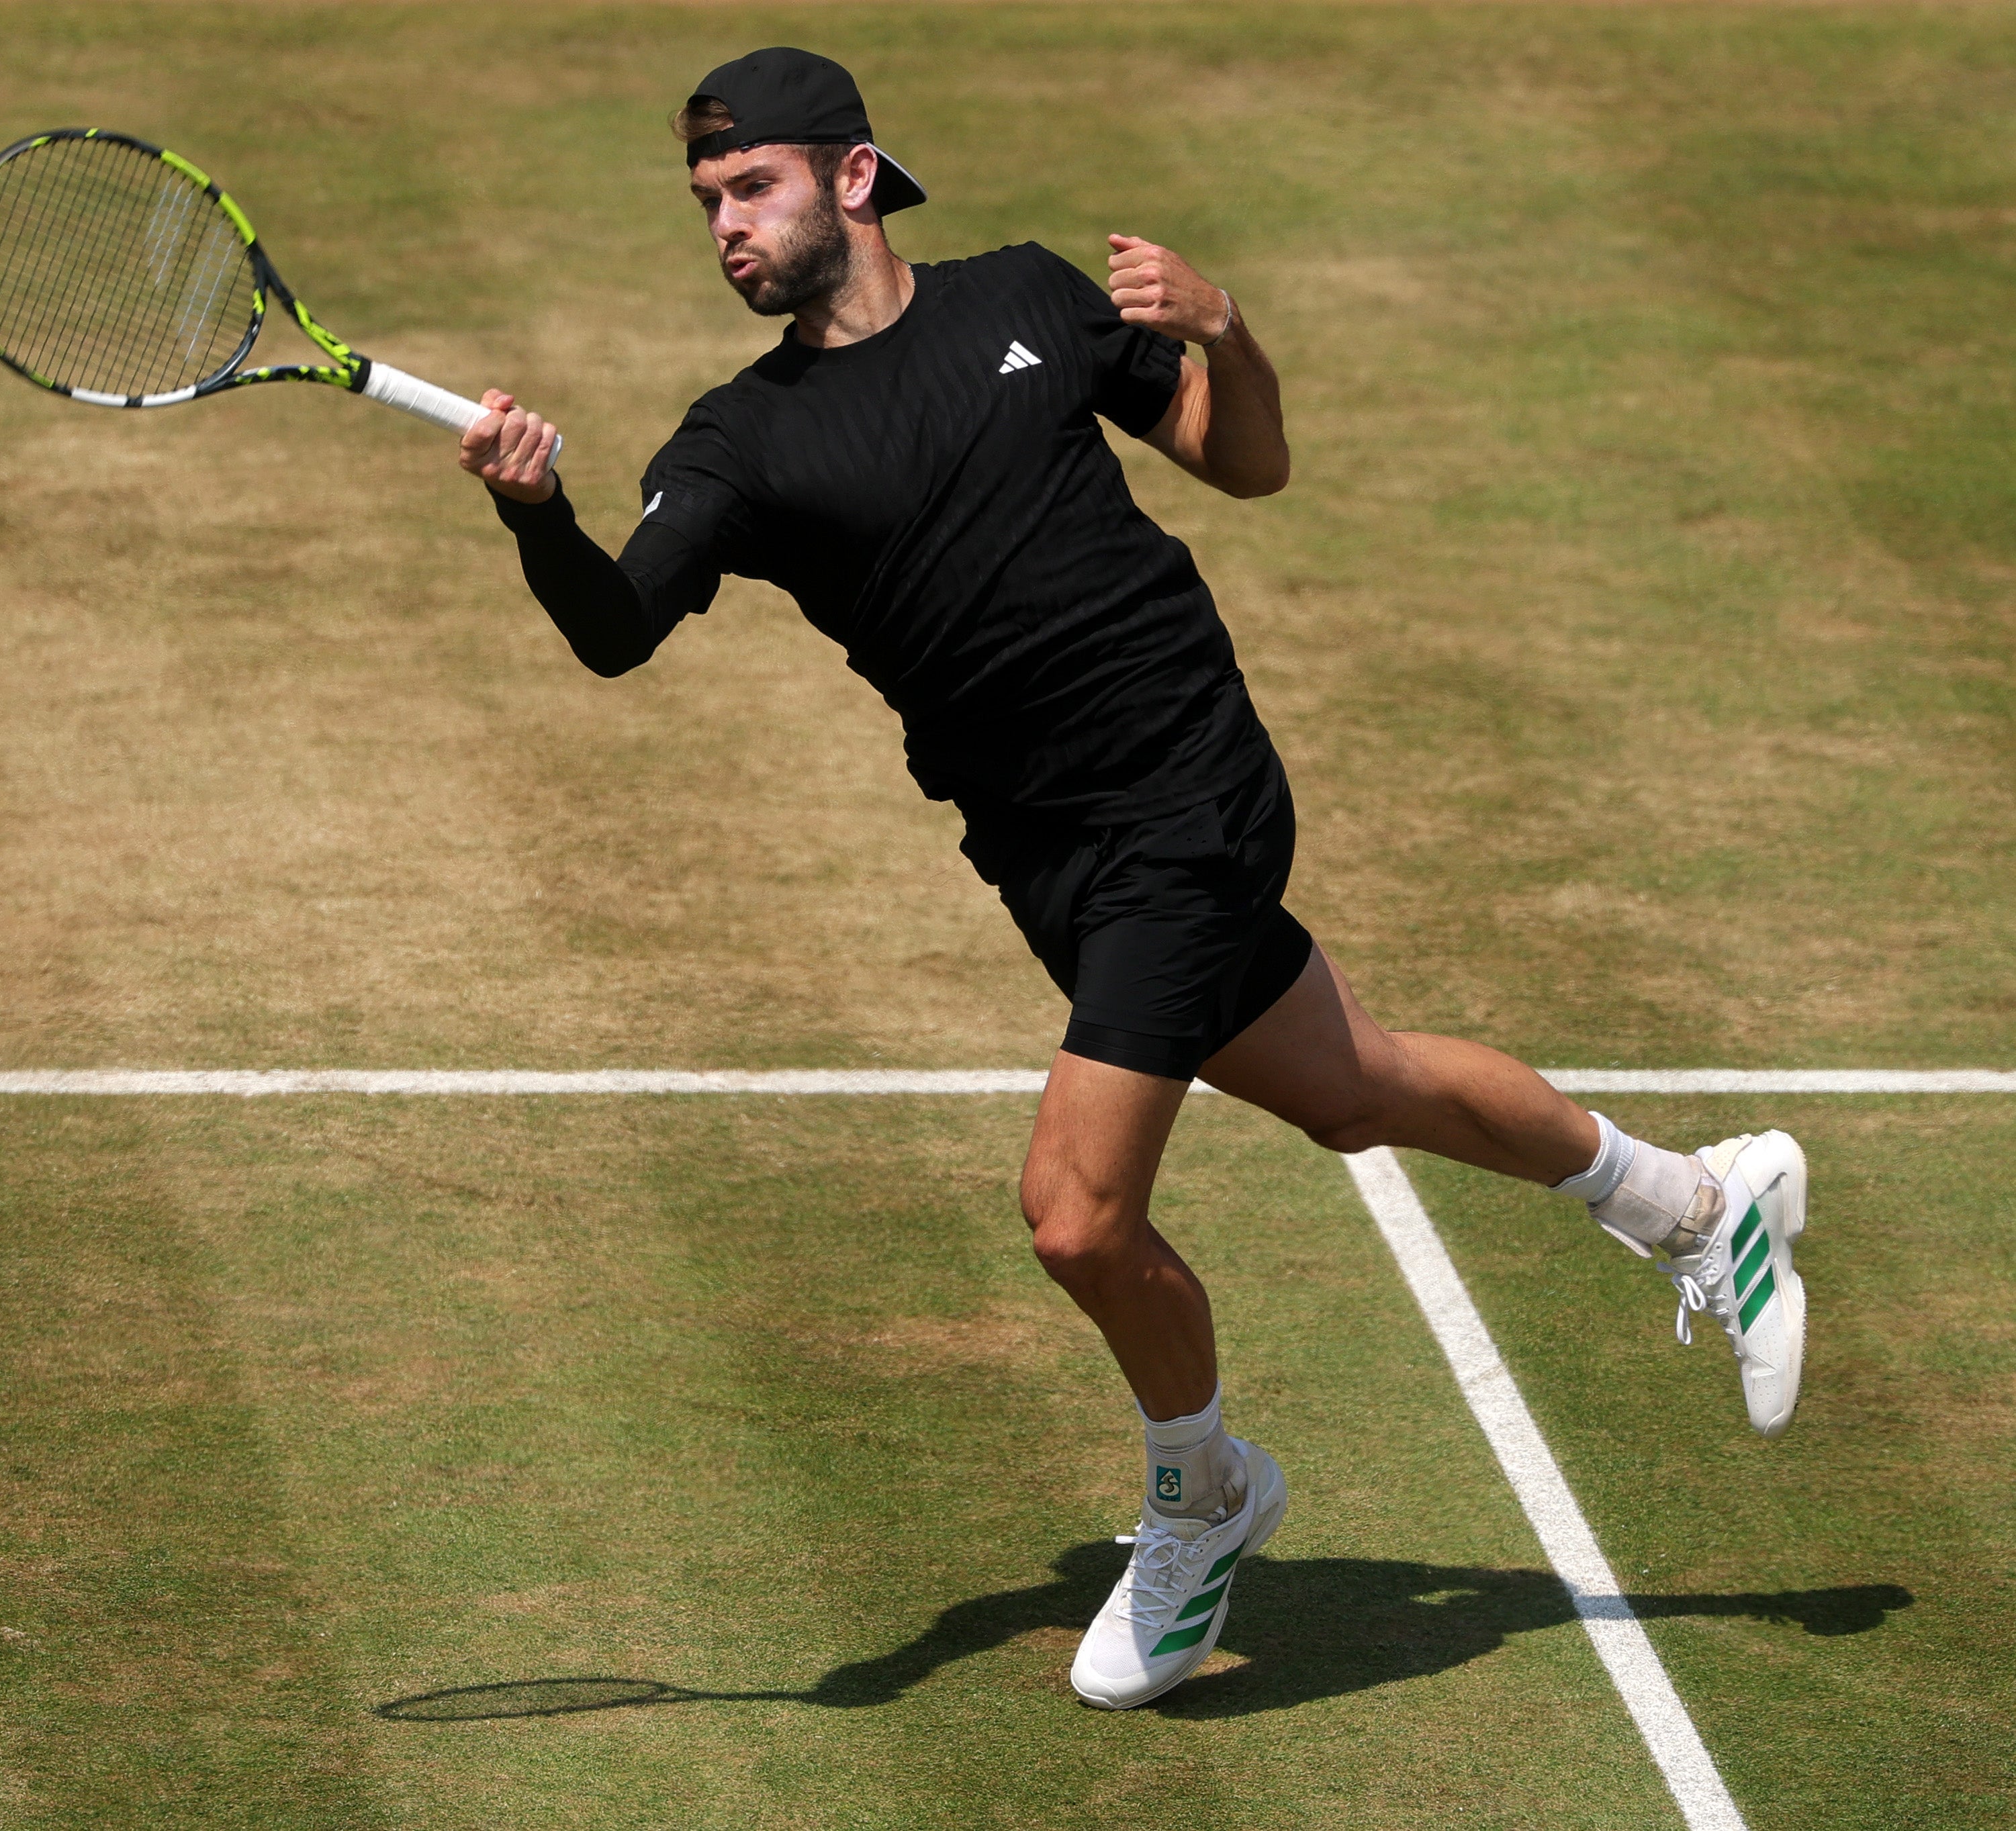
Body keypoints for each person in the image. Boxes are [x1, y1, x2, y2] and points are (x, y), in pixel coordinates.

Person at [457, 46, 1809, 1711]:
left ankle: (1203, 1494)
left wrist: (1224, 327)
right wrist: (537, 515)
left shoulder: (1021, 298)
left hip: (1189, 788)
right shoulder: (738, 443)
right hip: (1047, 854)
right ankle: (1697, 1201)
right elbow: (613, 630)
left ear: (855, 178)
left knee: (1075, 1216)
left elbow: (1241, 464)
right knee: (1354, 1084)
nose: (726, 227)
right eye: (706, 204)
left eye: (753, 188)